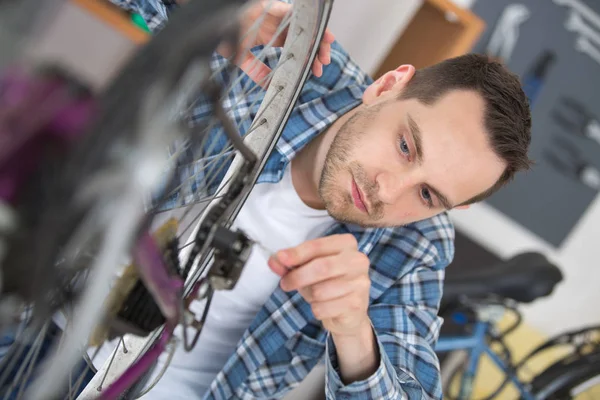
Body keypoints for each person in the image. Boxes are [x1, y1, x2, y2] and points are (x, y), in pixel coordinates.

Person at [103, 0, 530, 399]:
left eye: (426, 194)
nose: (386, 190)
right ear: (388, 86)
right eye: (405, 146)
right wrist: (204, 17)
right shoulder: (289, 56)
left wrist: (354, 333)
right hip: (46, 304)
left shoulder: (418, 244)